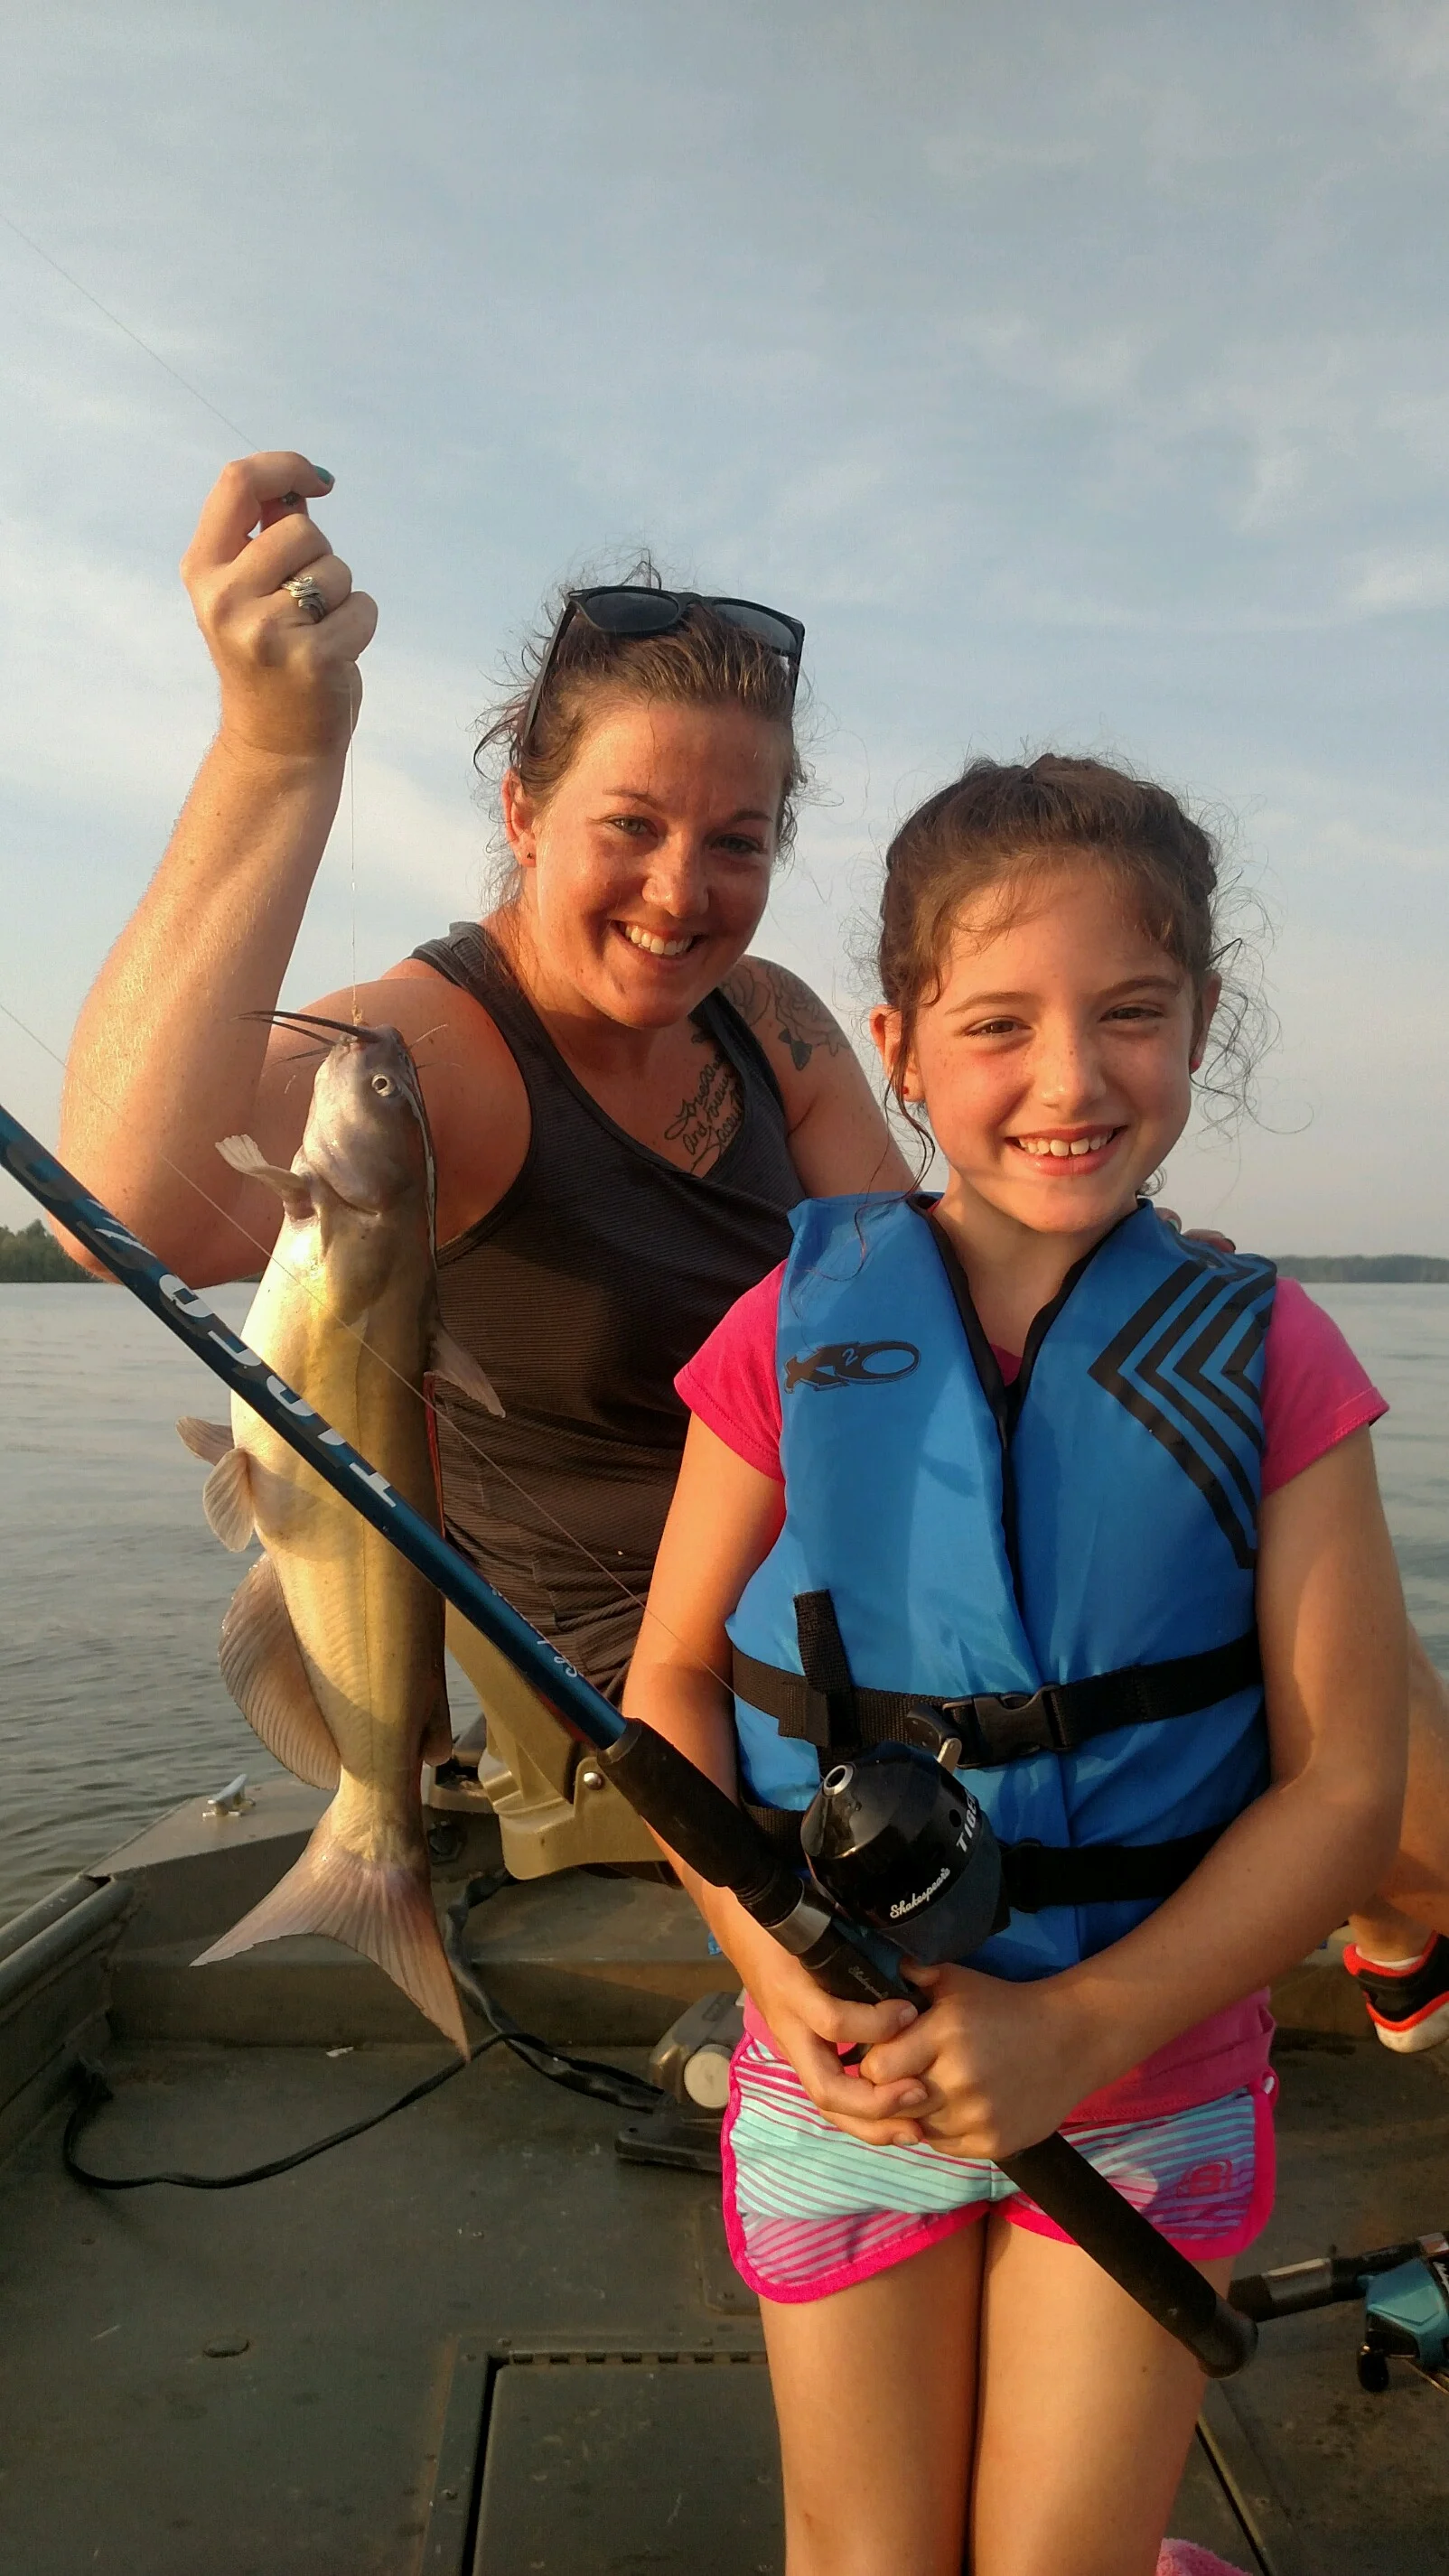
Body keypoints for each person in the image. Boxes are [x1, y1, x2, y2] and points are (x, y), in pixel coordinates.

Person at [59, 453, 1449, 2017]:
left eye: (740, 839)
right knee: (1336, 1722)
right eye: (631, 825)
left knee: (1283, 1594)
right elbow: (134, 1215)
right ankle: (1406, 1922)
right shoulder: (436, 1053)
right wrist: (273, 750)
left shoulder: (770, 1029)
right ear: (522, 812)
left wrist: (1123, 1287)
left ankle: (1405, 1923)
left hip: (858, 1572)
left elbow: (919, 1267)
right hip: (657, 1683)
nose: (683, 891)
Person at [622, 755, 1408, 2576]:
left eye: (1130, 1013)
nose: (1070, 1079)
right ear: (896, 1046)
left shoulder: (1274, 1356)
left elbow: (1350, 1782)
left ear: (1200, 1022)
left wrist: (1081, 2027)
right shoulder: (780, 1331)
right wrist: (767, 1961)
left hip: (1142, 2079)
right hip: (844, 2073)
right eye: (999, 1024)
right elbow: (663, 1688)